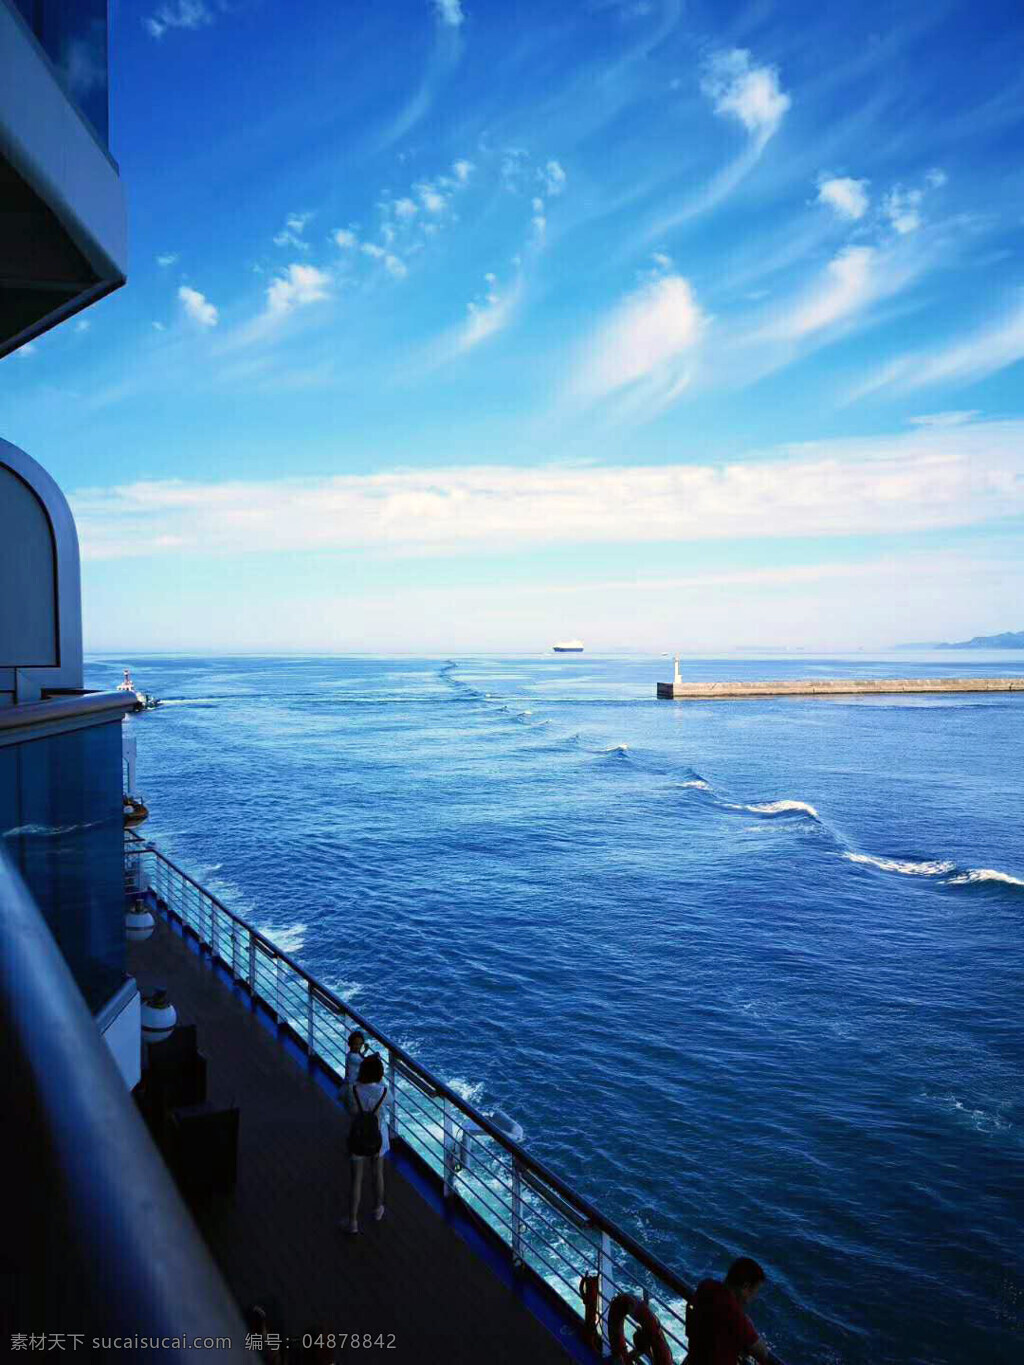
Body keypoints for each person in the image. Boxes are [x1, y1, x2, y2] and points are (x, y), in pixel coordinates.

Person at [685, 1257, 771, 1365]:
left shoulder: (706, 1286)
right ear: (745, 1287)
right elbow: (762, 1352)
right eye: (754, 1292)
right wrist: (748, 1323)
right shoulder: (735, 1315)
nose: (752, 1298)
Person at [343, 1053, 389, 1233]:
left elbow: (350, 1109)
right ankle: (378, 1209)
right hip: (378, 1136)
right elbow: (391, 1103)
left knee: (356, 1179)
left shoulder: (353, 1090)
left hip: (358, 1135)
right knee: (378, 1174)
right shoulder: (383, 1091)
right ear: (380, 1073)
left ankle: (353, 1221)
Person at [339, 1030, 367, 1105]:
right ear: (350, 1044)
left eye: (360, 1044)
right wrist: (374, 1057)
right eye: (355, 1044)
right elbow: (363, 1061)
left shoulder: (352, 1054)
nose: (358, 1046)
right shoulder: (351, 1057)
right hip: (352, 1085)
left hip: (354, 1083)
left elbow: (360, 1056)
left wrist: (365, 1051)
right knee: (353, 1103)